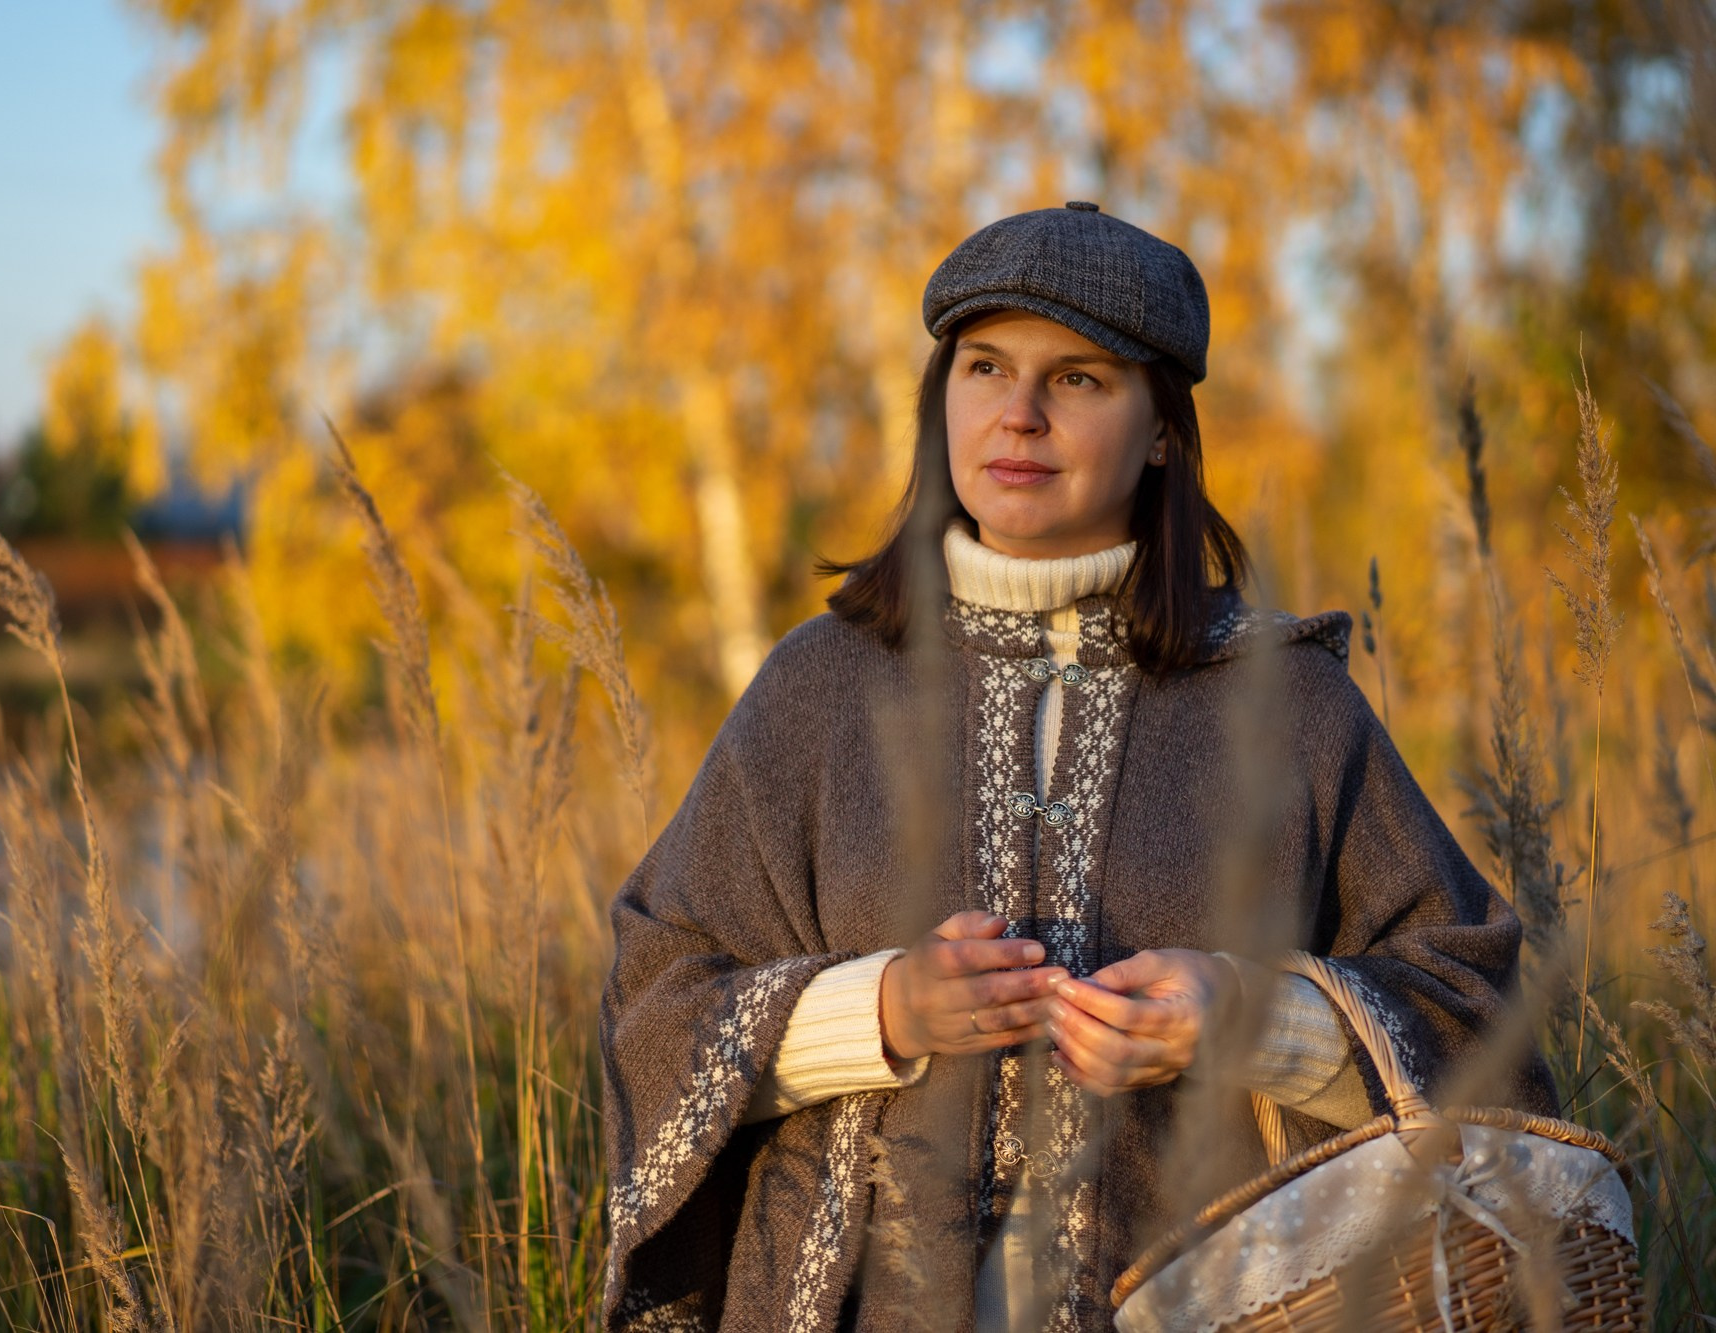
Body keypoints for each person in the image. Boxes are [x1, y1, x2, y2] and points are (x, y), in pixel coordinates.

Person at [598, 202, 1551, 1332]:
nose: (1017, 414)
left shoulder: (1285, 703)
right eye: (984, 366)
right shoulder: (818, 687)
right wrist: (884, 1007)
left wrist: (1244, 1014)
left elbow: (1478, 1012)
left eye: (1078, 379)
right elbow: (652, 997)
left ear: (1160, 431)